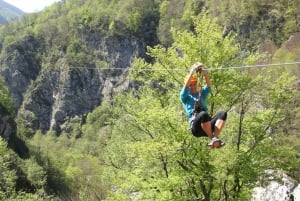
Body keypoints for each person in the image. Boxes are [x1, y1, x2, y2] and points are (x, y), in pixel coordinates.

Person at [179, 62, 227, 148]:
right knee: (203, 114)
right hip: (196, 127)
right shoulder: (185, 97)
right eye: (190, 85)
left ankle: (215, 137)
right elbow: (185, 86)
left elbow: (208, 86)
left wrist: (205, 72)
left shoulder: (201, 93)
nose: (192, 87)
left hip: (206, 124)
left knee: (223, 114)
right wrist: (192, 71)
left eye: (194, 84)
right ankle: (212, 138)